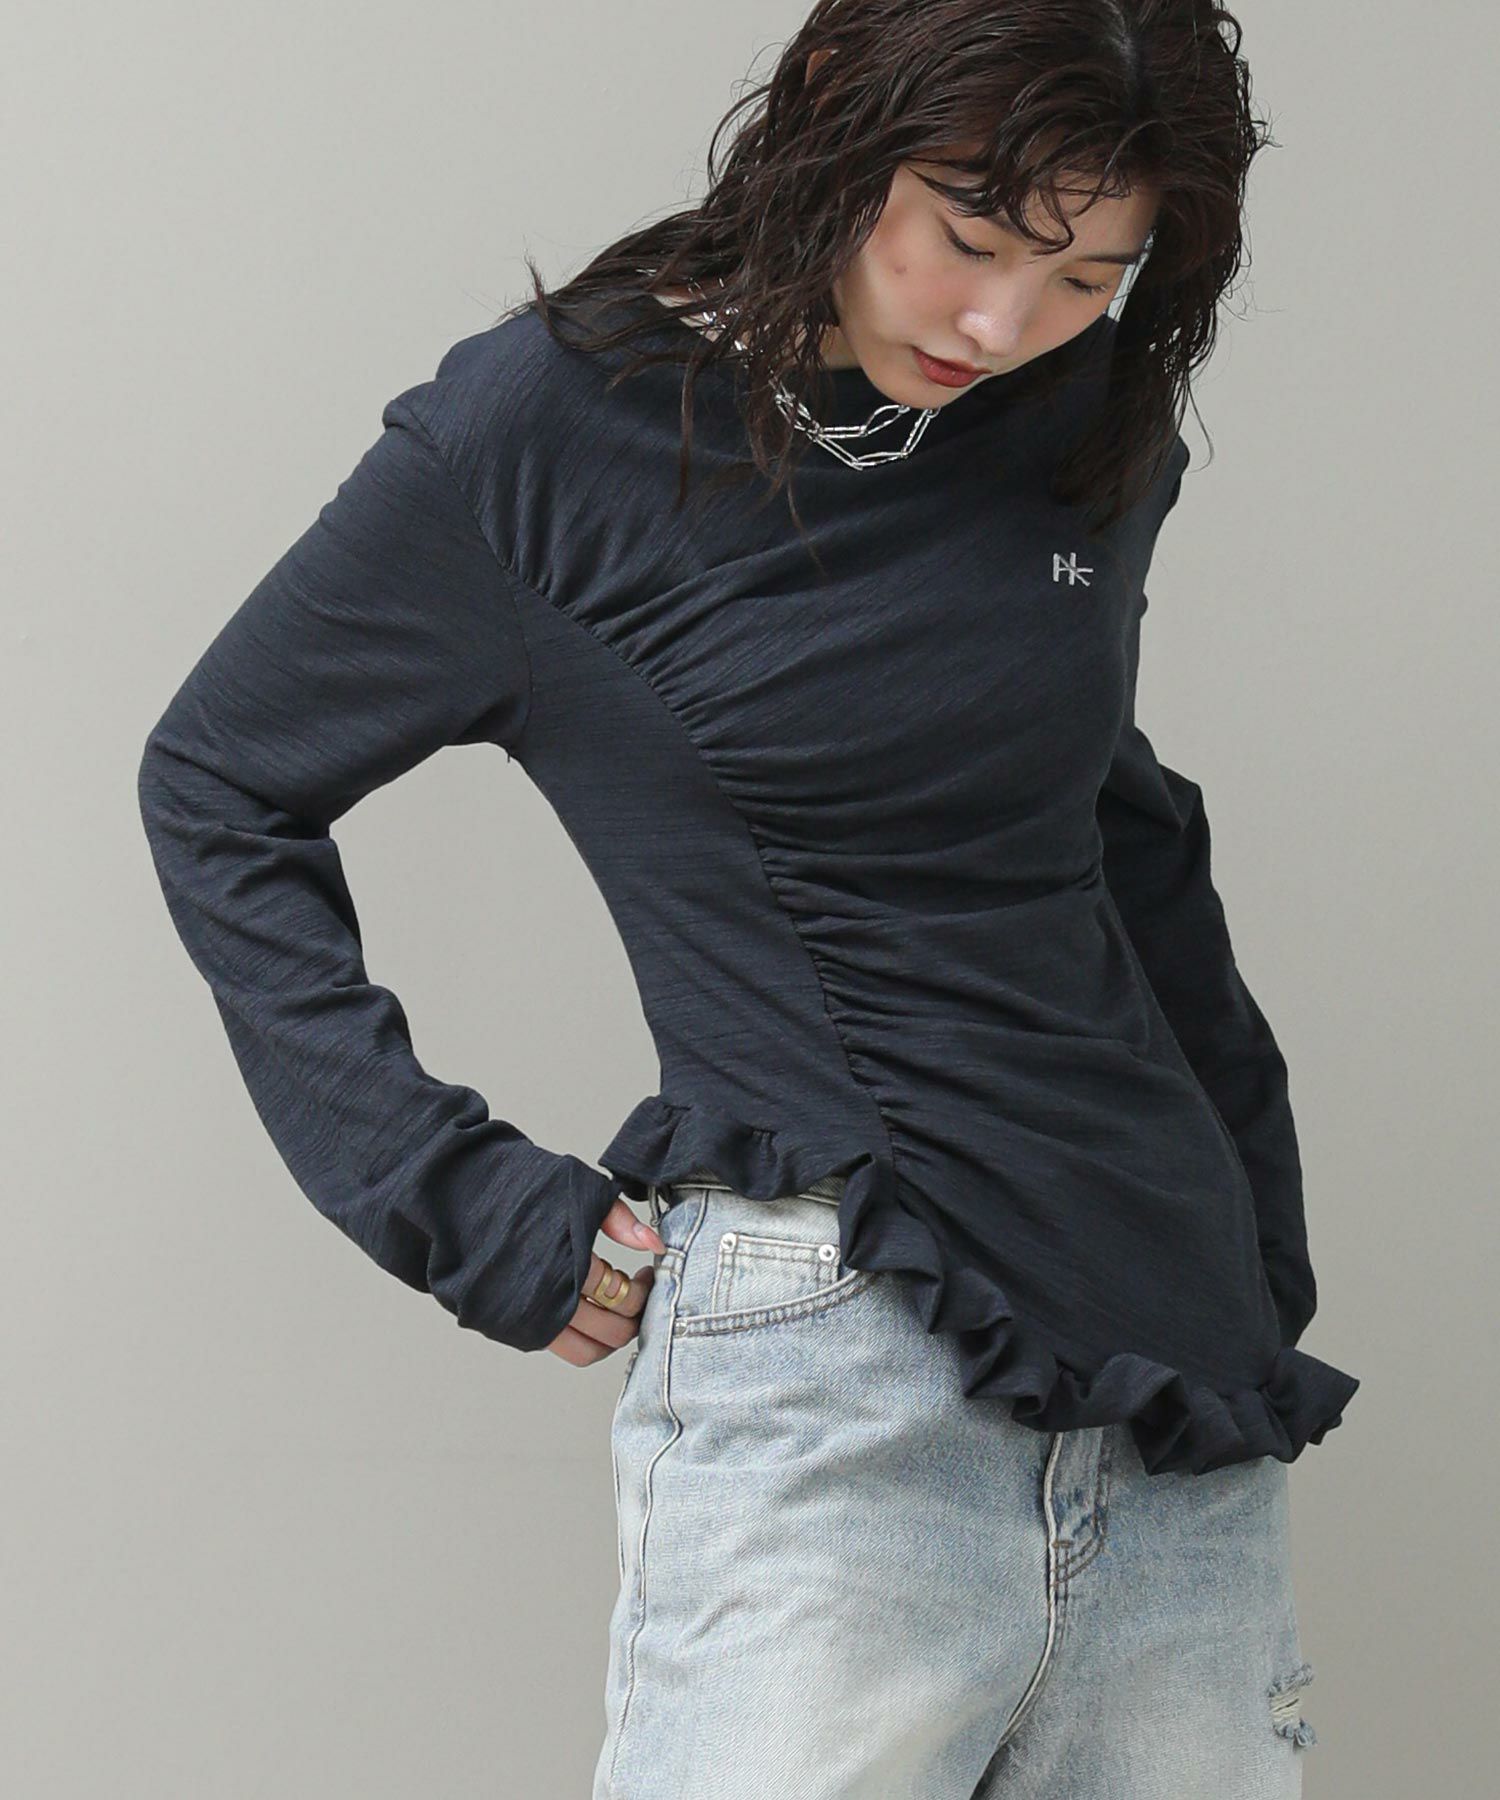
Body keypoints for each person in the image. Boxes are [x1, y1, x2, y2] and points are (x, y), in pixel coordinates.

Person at [136, 1, 1357, 1792]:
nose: (1004, 324)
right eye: (973, 235)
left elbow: (1106, 817)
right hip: (837, 1376)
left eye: (1091, 275)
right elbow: (218, 780)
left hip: (1181, 1396)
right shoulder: (556, 429)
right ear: (838, 110)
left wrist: (1254, 1220)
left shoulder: (1087, 418)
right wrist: (450, 1198)